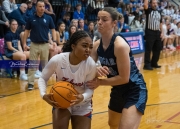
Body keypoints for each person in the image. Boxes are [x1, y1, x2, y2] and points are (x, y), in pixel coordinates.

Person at [86, 7, 147, 129]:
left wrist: (100, 82)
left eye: (104, 19)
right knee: (113, 124)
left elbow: (124, 78)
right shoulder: (97, 45)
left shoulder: (120, 46)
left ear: (114, 23)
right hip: (117, 89)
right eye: (98, 19)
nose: (99, 22)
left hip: (134, 89)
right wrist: (96, 70)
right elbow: (87, 69)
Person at [38, 30, 97, 129]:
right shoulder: (58, 60)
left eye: (90, 47)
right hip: (62, 101)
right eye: (84, 46)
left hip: (82, 103)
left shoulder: (90, 64)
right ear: (73, 46)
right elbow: (43, 78)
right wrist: (43, 95)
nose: (88, 50)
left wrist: (83, 97)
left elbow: (90, 88)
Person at [23, 0, 56, 90]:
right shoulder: (31, 18)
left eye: (43, 6)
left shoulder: (49, 18)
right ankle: (30, 83)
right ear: (36, 7)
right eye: (40, 6)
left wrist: (54, 41)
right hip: (34, 44)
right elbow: (26, 32)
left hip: (45, 44)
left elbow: (53, 30)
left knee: (45, 65)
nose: (42, 8)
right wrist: (24, 43)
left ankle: (44, 82)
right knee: (32, 64)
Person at [143, 0, 162, 70]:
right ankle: (146, 65)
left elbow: (160, 23)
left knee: (158, 48)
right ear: (150, 4)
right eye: (153, 3)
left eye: (156, 3)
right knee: (149, 49)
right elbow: (145, 5)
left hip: (157, 32)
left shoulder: (159, 12)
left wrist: (161, 32)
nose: (155, 4)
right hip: (150, 32)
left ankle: (154, 63)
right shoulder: (148, 11)